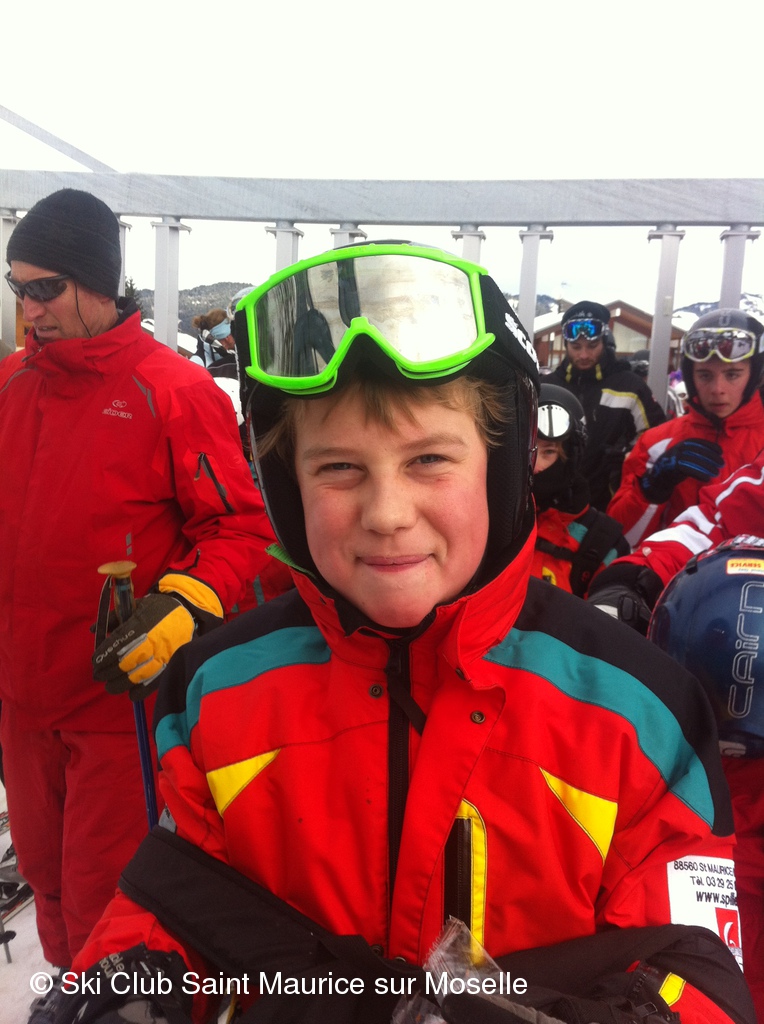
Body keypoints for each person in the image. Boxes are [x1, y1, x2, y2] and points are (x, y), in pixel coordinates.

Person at [41, 243, 752, 1024]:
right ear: (286, 488)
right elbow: (175, 902)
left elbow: (697, 969)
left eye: (429, 460)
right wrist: (134, 982)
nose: (385, 513)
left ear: (501, 468)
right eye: (339, 468)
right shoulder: (218, 692)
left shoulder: (638, 715)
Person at [0, 188, 277, 970]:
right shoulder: (12, 384)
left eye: (46, 288)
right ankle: (68, 1003)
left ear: (98, 281)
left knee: (104, 897)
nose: (29, 308)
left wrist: (183, 603)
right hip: (22, 700)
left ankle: (105, 1006)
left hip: (116, 709)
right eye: (18, 288)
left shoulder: (174, 391)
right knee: (46, 881)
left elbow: (242, 527)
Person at [607, 309, 764, 548]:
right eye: (704, 375)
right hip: (668, 568)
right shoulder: (657, 443)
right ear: (690, 377)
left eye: (732, 374)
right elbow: (620, 538)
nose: (717, 389)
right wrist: (652, 488)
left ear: (755, 375)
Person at [549, 301, 665, 511]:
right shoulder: (548, 386)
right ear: (566, 345)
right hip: (551, 506)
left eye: (592, 346)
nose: (584, 355)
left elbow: (657, 440)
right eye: (576, 347)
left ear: (604, 341)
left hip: (608, 507)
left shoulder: (630, 386)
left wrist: (626, 458)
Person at [531, 383, 629, 596]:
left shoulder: (601, 542)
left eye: (549, 452)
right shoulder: (485, 520)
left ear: (570, 457)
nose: (535, 466)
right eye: (528, 450)